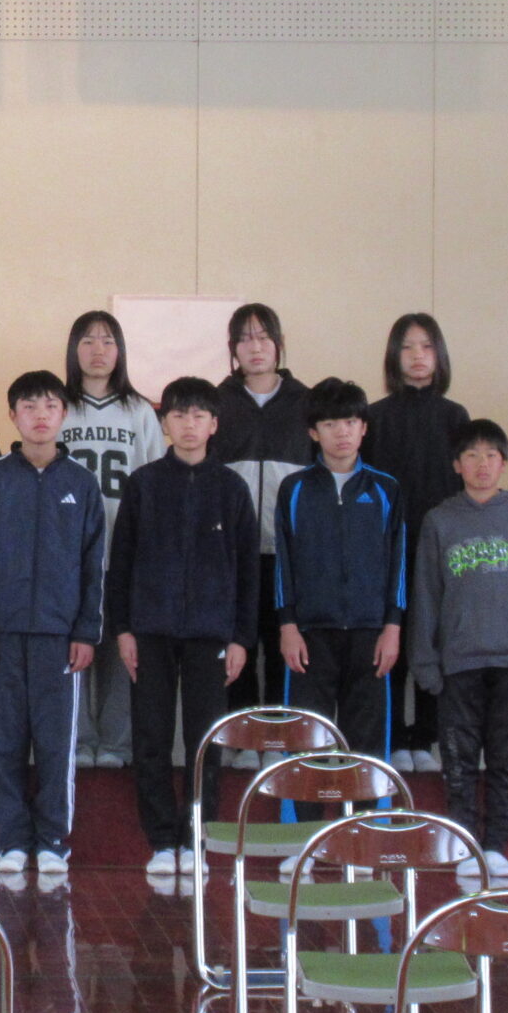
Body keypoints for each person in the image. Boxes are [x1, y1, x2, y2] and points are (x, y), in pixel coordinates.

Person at [105, 377, 257, 876]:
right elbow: (121, 562)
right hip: (149, 631)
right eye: (178, 415)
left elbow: (248, 572)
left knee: (204, 741)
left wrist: (241, 638)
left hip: (211, 635)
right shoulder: (144, 484)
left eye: (198, 415)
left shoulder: (232, 488)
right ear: (164, 423)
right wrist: (123, 629)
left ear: (214, 424)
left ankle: (196, 837)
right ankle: (160, 840)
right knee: (150, 738)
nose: (188, 425)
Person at [0, 370, 105, 877]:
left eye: (49, 406)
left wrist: (86, 631)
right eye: (29, 406)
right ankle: (10, 841)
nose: (40, 415)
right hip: (1, 636)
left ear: (64, 414)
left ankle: (52, 842)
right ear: (12, 415)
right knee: (4, 742)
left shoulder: (82, 483)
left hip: (59, 638)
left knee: (54, 744)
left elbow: (93, 565)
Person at [409, 419, 508, 887]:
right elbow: (425, 594)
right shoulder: (440, 521)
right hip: (458, 662)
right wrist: (426, 663)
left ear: (504, 463)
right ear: (457, 465)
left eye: (491, 455)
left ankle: (496, 846)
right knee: (458, 761)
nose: (481, 464)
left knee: (504, 759)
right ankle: (466, 845)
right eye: (471, 456)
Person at [273, 379, 406, 775]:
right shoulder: (294, 489)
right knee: (305, 741)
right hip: (309, 634)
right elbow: (283, 563)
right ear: (314, 432)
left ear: (364, 427)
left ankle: (366, 817)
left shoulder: (386, 489)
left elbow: (398, 564)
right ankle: (303, 816)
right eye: (330, 424)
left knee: (366, 748)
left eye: (350, 422)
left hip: (370, 633)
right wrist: (287, 625)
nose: (341, 432)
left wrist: (392, 627)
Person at [364, 314, 469, 774]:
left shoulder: (455, 417)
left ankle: (425, 737)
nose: (417, 356)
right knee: (390, 641)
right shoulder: (375, 417)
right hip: (386, 546)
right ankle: (390, 738)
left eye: (426, 346)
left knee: (432, 640)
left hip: (440, 547)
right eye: (407, 347)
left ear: (439, 354)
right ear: (394, 356)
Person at [59, 310, 164, 770]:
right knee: (73, 648)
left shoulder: (139, 410)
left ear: (120, 350)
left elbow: (157, 481)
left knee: (123, 651)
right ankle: (79, 738)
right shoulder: (59, 405)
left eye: (107, 340)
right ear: (73, 349)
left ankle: (117, 744)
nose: (97, 350)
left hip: (125, 550)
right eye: (87, 340)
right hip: (69, 552)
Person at [214, 303, 310, 724]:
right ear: (233, 348)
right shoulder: (217, 403)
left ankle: (277, 731)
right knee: (236, 642)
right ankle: (242, 733)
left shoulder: (305, 402)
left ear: (279, 344)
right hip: (231, 548)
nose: (255, 347)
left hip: (288, 549)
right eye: (244, 339)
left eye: (263, 337)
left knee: (282, 644)